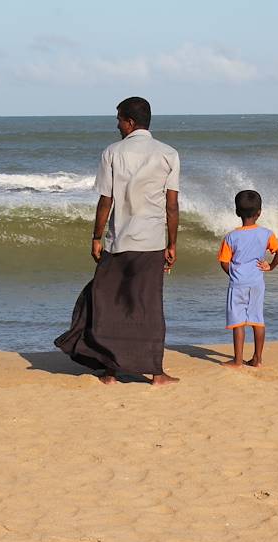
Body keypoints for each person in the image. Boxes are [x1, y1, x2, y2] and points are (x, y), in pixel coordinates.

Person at [55, 97, 180, 385]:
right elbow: (171, 205)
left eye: (119, 120)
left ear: (130, 122)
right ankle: (156, 374)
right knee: (148, 305)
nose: (117, 125)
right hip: (151, 242)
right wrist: (172, 243)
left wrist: (96, 236)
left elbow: (105, 200)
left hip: (119, 240)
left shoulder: (112, 152)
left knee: (109, 303)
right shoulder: (168, 154)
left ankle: (110, 371)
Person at [217, 189, 278, 368]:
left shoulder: (231, 237)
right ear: (259, 213)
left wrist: (233, 272)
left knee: (238, 321)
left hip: (238, 283)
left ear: (237, 212)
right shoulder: (266, 233)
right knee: (257, 319)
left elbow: (224, 262)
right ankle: (257, 359)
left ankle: (238, 361)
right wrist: (270, 266)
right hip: (257, 283)